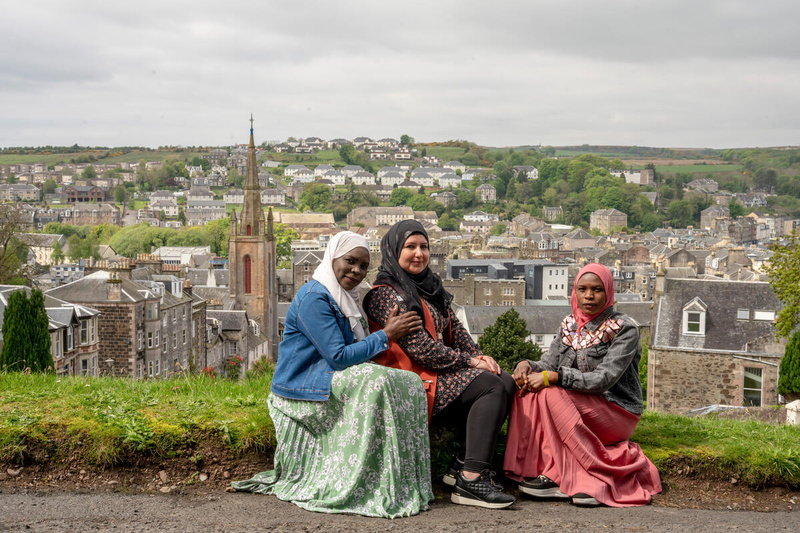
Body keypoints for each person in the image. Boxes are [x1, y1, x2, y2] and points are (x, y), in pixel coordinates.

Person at [232, 231, 434, 519]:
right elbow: (339, 357)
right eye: (350, 261)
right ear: (332, 258)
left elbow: (352, 351)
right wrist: (387, 335)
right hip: (303, 387)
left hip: (325, 377)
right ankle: (368, 483)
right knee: (376, 381)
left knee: (409, 382)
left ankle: (398, 483)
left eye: (363, 266)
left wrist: (383, 334)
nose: (356, 271)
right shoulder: (315, 298)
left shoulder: (344, 297)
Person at [363, 220, 516, 509]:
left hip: (432, 373)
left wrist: (480, 356)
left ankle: (461, 466)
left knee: (503, 378)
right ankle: (471, 480)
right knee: (491, 386)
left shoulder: (429, 288)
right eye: (410, 247)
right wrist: (470, 362)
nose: (418, 253)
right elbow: (422, 349)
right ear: (394, 250)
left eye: (424, 246)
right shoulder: (386, 294)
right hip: (408, 379)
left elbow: (456, 330)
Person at [503, 263, 662, 507]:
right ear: (574, 292)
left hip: (617, 410)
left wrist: (555, 377)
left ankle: (565, 479)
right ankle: (542, 468)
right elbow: (548, 362)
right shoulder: (568, 324)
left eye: (597, 289)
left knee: (549, 394)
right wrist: (527, 365)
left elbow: (603, 379)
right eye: (582, 289)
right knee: (526, 390)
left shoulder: (624, 329)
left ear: (608, 292)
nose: (589, 296)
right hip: (581, 405)